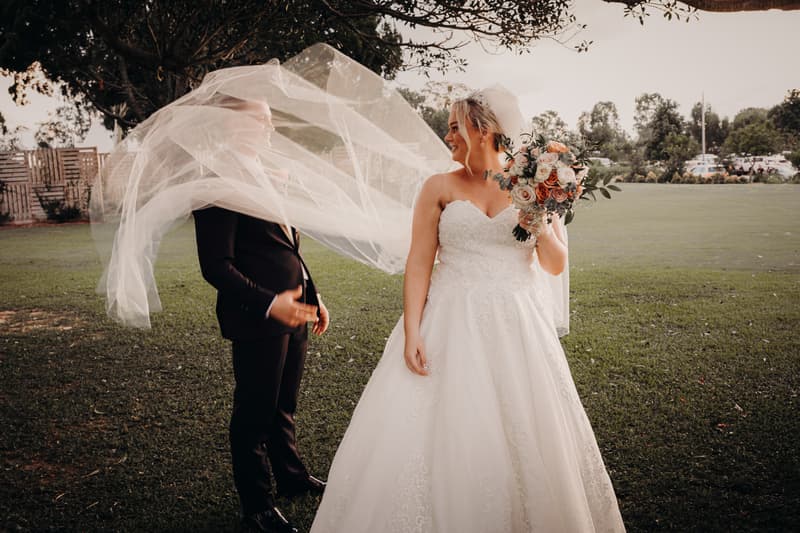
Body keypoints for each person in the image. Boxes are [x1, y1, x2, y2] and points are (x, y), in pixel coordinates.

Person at [310, 89, 626, 532]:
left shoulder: (532, 183)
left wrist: (537, 218)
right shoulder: (438, 187)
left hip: (517, 324)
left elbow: (554, 265)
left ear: (484, 130)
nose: (448, 134)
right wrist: (413, 331)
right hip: (449, 321)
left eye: (455, 126)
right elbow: (420, 264)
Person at [192, 100, 330, 533]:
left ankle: (290, 477)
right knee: (254, 411)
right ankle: (257, 506)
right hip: (257, 315)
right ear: (233, 123)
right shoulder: (216, 182)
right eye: (262, 120)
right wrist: (272, 303)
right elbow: (216, 265)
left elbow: (286, 244)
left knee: (283, 404)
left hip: (297, 308)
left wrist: (313, 293)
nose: (270, 129)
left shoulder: (266, 173)